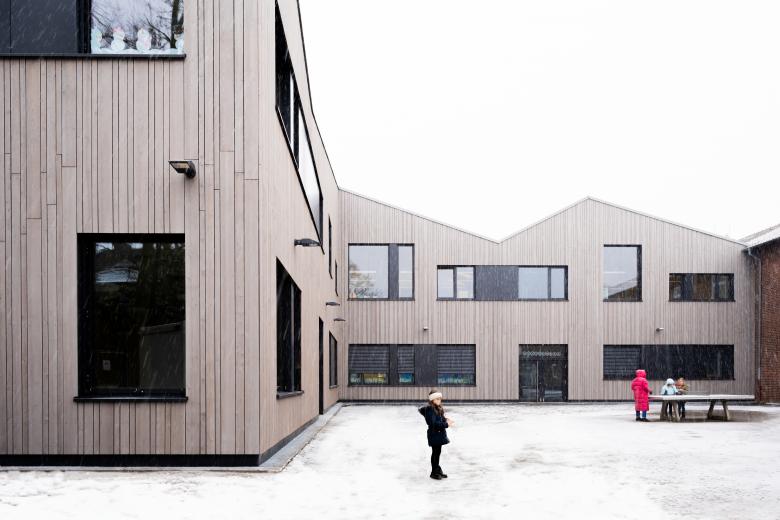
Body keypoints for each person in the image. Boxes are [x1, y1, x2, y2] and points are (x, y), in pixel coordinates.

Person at [418, 389, 454, 480]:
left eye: (440, 399)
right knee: (435, 453)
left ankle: (437, 470)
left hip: (438, 435)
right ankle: (434, 472)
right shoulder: (430, 410)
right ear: (432, 400)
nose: (439, 400)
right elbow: (434, 424)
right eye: (437, 399)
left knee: (437, 453)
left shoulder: (438, 408)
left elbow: (440, 418)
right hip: (434, 434)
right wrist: (446, 424)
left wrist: (446, 420)